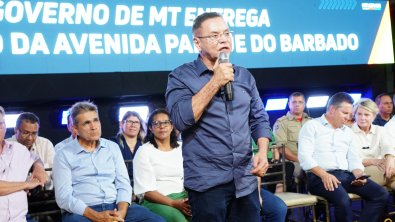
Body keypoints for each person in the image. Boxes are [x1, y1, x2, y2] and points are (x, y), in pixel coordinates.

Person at [166, 12, 271, 221]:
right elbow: (180, 120)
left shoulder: (244, 75)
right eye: (214, 35)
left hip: (245, 180)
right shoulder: (180, 76)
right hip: (207, 184)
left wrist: (262, 150)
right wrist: (215, 82)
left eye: (226, 33)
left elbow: (259, 117)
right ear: (197, 42)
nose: (223, 39)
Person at [52, 101, 164, 222]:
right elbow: (64, 197)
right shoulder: (63, 154)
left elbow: (123, 184)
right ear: (75, 128)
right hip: (83, 212)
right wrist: (96, 216)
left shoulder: (112, 147)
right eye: (86, 123)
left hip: (116, 206)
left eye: (96, 120)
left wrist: (121, 213)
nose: (94, 126)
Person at [298, 92, 388, 222]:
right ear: (332, 110)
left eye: (350, 114)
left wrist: (358, 174)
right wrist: (324, 175)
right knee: (343, 200)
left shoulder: (348, 132)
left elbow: (353, 158)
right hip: (319, 177)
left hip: (346, 175)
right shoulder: (312, 126)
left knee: (381, 194)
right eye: (344, 113)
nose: (348, 118)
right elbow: (304, 157)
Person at [133, 109, 191, 222]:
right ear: (150, 128)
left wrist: (187, 199)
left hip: (183, 197)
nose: (162, 126)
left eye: (166, 122)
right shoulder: (144, 151)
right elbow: (146, 192)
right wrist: (174, 203)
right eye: (156, 123)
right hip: (156, 201)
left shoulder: (182, 147)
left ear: (171, 125)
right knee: (178, 219)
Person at [0, 106, 48, 222]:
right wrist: (26, 185)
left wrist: (38, 166)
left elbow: (35, 157)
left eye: (0, 123)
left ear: (5, 126)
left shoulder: (18, 149)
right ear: (16, 130)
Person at [351, 98, 395, 189]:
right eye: (359, 114)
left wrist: (390, 159)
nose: (362, 118)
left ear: (374, 116)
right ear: (354, 115)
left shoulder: (380, 130)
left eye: (367, 115)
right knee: (387, 172)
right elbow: (351, 159)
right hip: (362, 170)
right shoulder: (348, 132)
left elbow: (388, 147)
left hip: (383, 167)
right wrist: (373, 161)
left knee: (390, 168)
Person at [273, 92, 312, 189]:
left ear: (304, 104)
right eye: (294, 102)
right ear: (289, 104)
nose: (297, 104)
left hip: (313, 159)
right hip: (293, 162)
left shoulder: (312, 122)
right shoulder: (282, 122)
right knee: (312, 172)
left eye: (300, 102)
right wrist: (302, 160)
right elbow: (281, 148)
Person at [110, 111, 145, 189]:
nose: (133, 125)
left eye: (136, 122)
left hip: (142, 186)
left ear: (140, 126)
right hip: (119, 186)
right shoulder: (113, 144)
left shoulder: (145, 145)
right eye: (129, 122)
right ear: (122, 124)